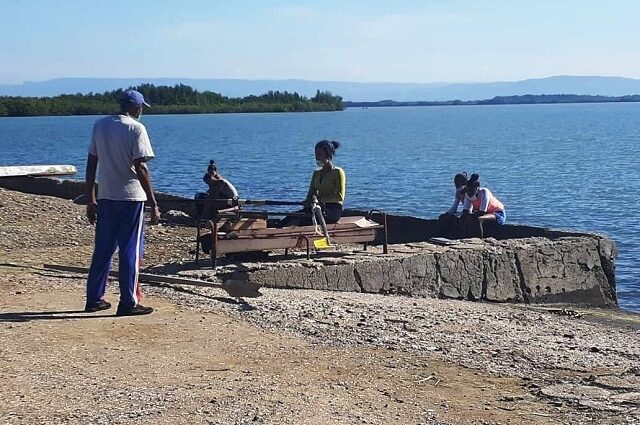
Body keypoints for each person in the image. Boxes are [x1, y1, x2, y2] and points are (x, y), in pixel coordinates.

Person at [84, 89, 159, 316]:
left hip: (107, 195)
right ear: (136, 108)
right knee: (130, 249)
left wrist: (91, 198)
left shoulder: (100, 125)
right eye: (141, 108)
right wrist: (154, 202)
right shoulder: (136, 128)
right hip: (131, 197)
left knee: (103, 249)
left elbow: (91, 163)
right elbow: (141, 166)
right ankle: (128, 301)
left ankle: (94, 298)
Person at [461, 174, 506, 238]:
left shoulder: (484, 192)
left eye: (471, 190)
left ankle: (479, 238)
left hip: (497, 214)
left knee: (478, 219)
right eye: (468, 190)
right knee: (463, 218)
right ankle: (465, 236)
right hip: (486, 214)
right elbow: (465, 211)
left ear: (476, 188)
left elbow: (482, 212)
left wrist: (471, 216)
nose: (469, 192)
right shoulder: (467, 195)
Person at [438, 172, 468, 238]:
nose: (457, 185)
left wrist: (454, 216)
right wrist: (447, 214)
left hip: (470, 211)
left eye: (459, 183)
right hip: (464, 211)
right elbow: (454, 207)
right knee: (444, 217)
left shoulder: (469, 192)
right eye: (456, 183)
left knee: (456, 218)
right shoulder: (458, 192)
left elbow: (467, 210)